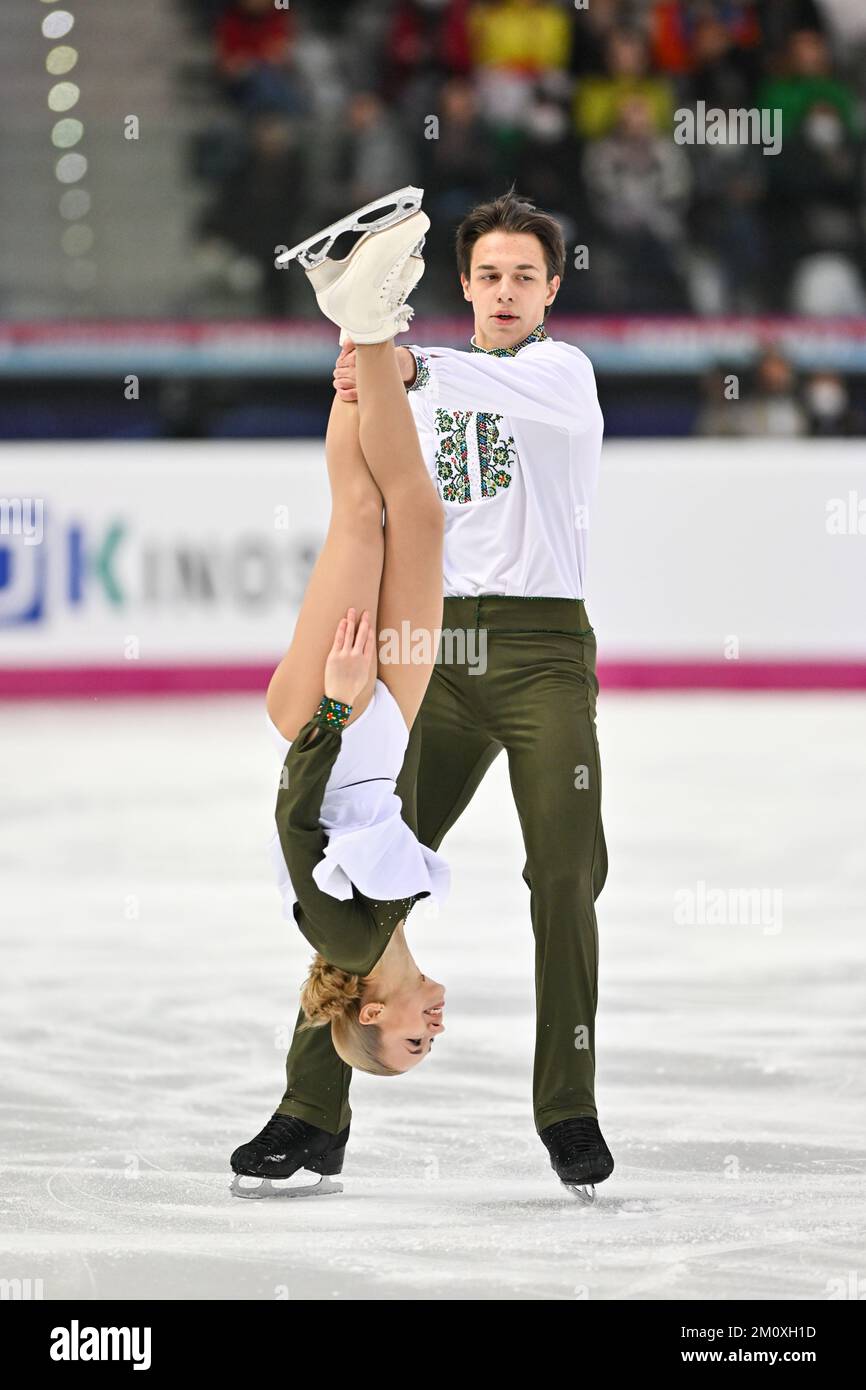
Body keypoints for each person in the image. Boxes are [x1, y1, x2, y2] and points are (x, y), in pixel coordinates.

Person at [247, 186, 615, 1204]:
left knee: (565, 872)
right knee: (358, 869)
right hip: (434, 649)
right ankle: (309, 1111)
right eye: (488, 275)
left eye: (524, 277)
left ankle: (565, 1105)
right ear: (463, 283)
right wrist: (372, 360)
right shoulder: (422, 376)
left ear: (550, 290)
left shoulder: (561, 373)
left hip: (541, 655)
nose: (504, 291)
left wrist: (395, 356)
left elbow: (453, 381)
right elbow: (375, 467)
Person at [230, 190, 450, 1198]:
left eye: (409, 1046)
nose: (427, 1033)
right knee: (406, 513)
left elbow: (291, 817)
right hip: (380, 715)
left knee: (365, 516)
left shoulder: (348, 938)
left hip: (336, 709)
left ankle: (365, 319)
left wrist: (332, 701)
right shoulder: (383, 935)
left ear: (369, 1015)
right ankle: (350, 308)